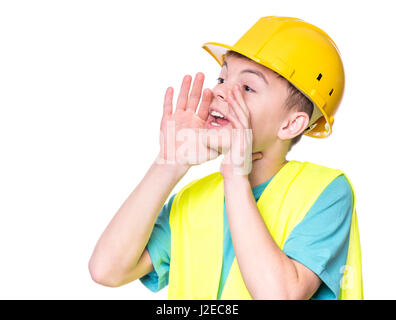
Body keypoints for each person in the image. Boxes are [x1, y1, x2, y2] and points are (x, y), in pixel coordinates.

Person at [88, 16, 363, 300]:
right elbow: (106, 270)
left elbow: (279, 295)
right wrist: (169, 163)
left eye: (247, 88)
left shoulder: (326, 191)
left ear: (291, 125)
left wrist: (235, 175)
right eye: (222, 78)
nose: (219, 91)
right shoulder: (193, 200)